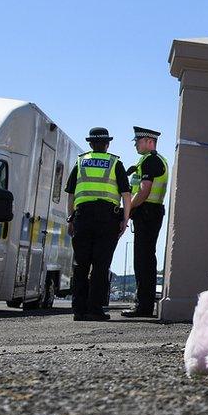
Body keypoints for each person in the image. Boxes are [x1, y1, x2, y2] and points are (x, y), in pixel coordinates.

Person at [65, 127, 131, 322]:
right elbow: (126, 195)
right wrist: (124, 220)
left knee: (81, 265)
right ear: (107, 144)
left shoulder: (80, 162)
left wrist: (71, 218)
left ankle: (78, 310)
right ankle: (95, 310)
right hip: (107, 220)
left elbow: (71, 193)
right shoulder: (115, 163)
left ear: (90, 144)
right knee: (101, 266)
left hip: (82, 218)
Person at [122, 126, 169, 318]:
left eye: (138, 141)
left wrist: (128, 209)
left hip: (147, 212)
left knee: (143, 260)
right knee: (145, 259)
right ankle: (144, 304)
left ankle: (143, 306)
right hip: (151, 212)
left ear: (150, 141)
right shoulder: (153, 160)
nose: (135, 145)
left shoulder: (151, 160)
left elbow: (144, 191)